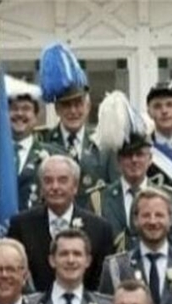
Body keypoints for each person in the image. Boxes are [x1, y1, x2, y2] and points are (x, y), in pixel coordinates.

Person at [91, 91, 172, 252]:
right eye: (128, 155)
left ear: (150, 159)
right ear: (119, 161)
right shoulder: (99, 199)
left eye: (140, 155)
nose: (134, 160)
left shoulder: (171, 198)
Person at [6, 155, 115, 294]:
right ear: (41, 187)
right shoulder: (20, 225)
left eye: (62, 180)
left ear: (75, 186)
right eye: (48, 181)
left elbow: (103, 285)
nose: (55, 187)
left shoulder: (100, 228)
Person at [36, 41, 115, 199]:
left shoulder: (104, 144)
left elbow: (113, 194)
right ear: (57, 109)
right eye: (66, 105)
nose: (73, 111)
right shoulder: (42, 142)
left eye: (78, 104)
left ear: (88, 106)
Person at [29, 228, 112, 304]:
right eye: (64, 254)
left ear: (88, 261)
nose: (71, 260)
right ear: (52, 260)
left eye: (77, 254)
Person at [2, 75, 60, 211]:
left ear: (36, 116)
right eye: (14, 108)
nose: (19, 113)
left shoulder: (54, 155)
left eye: (26, 109)